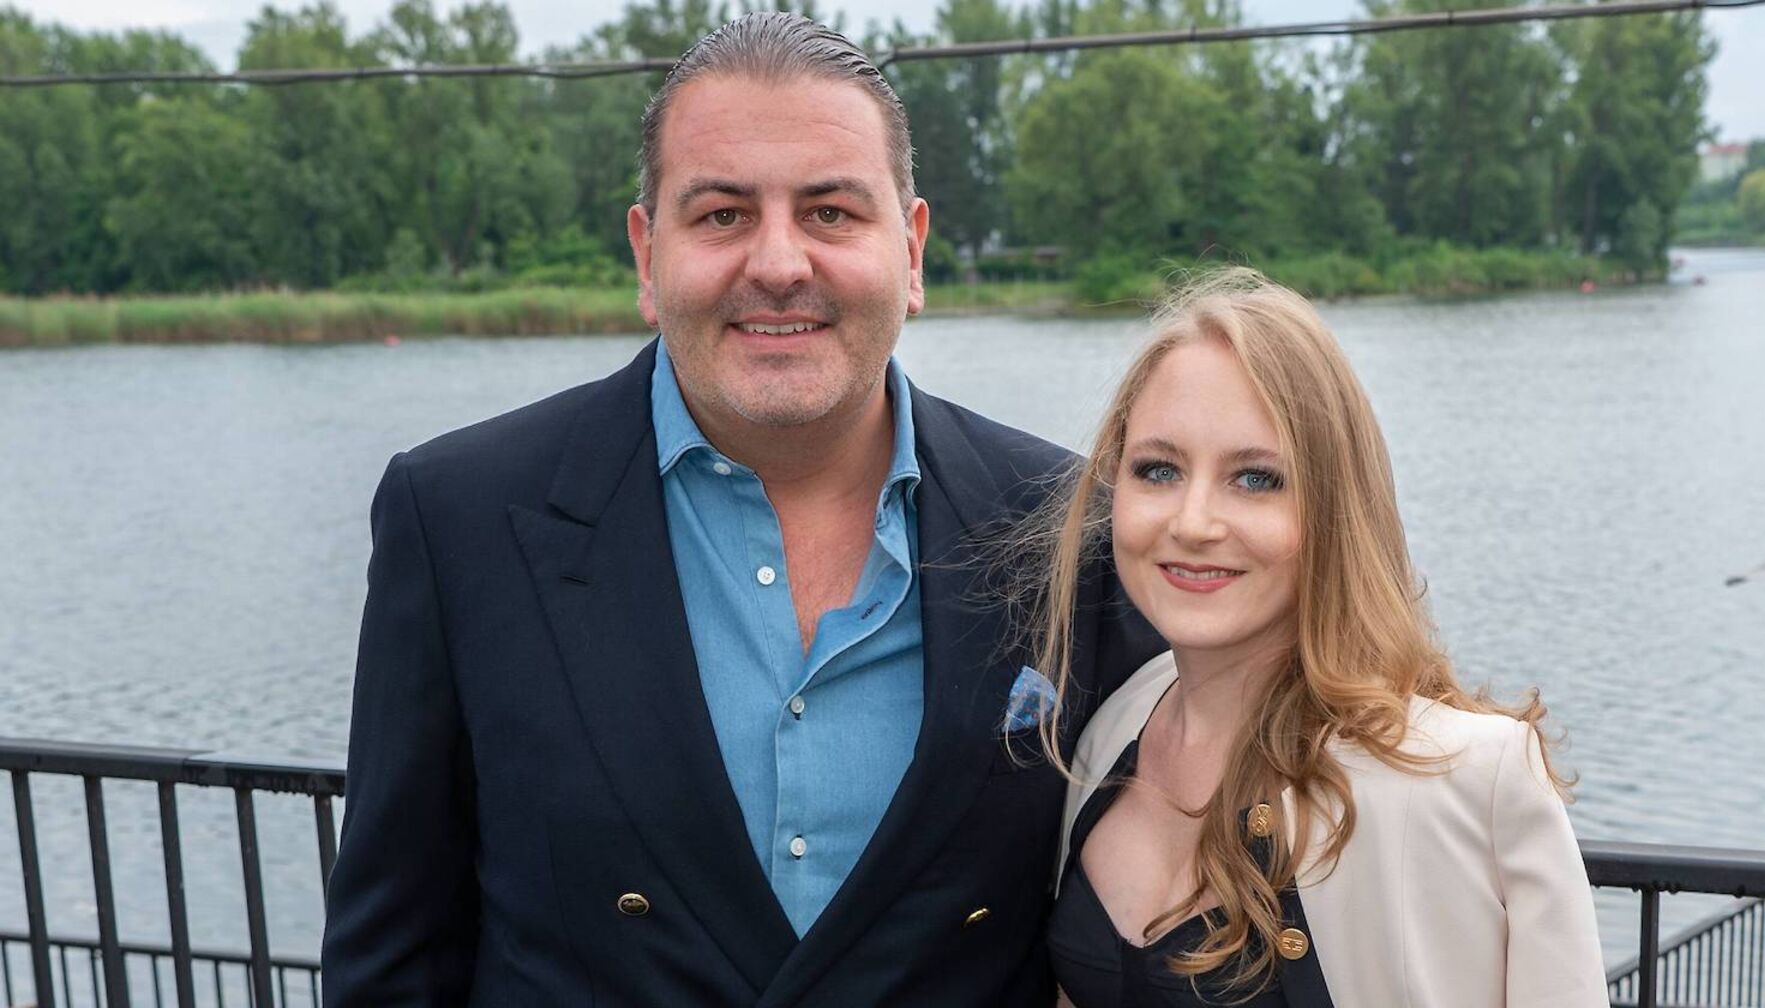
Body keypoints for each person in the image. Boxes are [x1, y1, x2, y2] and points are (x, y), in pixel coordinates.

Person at [319, 13, 1160, 1006]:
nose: (777, 262)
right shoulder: (458, 518)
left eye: (830, 212)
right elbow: (391, 961)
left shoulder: (1069, 529)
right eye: (721, 213)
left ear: (913, 247)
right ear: (646, 254)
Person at [1027, 268, 1608, 1006]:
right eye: (1159, 469)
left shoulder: (1464, 783)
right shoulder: (1107, 731)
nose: (1194, 521)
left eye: (1256, 479)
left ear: (1337, 508)